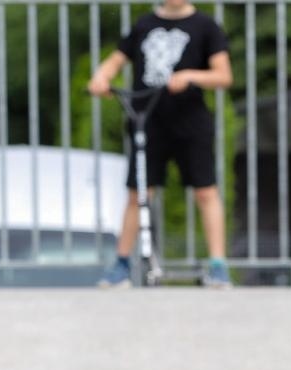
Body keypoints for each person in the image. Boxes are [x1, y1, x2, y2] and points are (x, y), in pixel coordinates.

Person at [88, 0, 233, 289]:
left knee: (206, 192)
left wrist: (190, 76)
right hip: (148, 119)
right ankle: (122, 264)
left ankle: (218, 265)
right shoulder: (144, 24)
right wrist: (101, 77)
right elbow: (116, 60)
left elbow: (223, 75)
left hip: (190, 121)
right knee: (138, 193)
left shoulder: (206, 26)